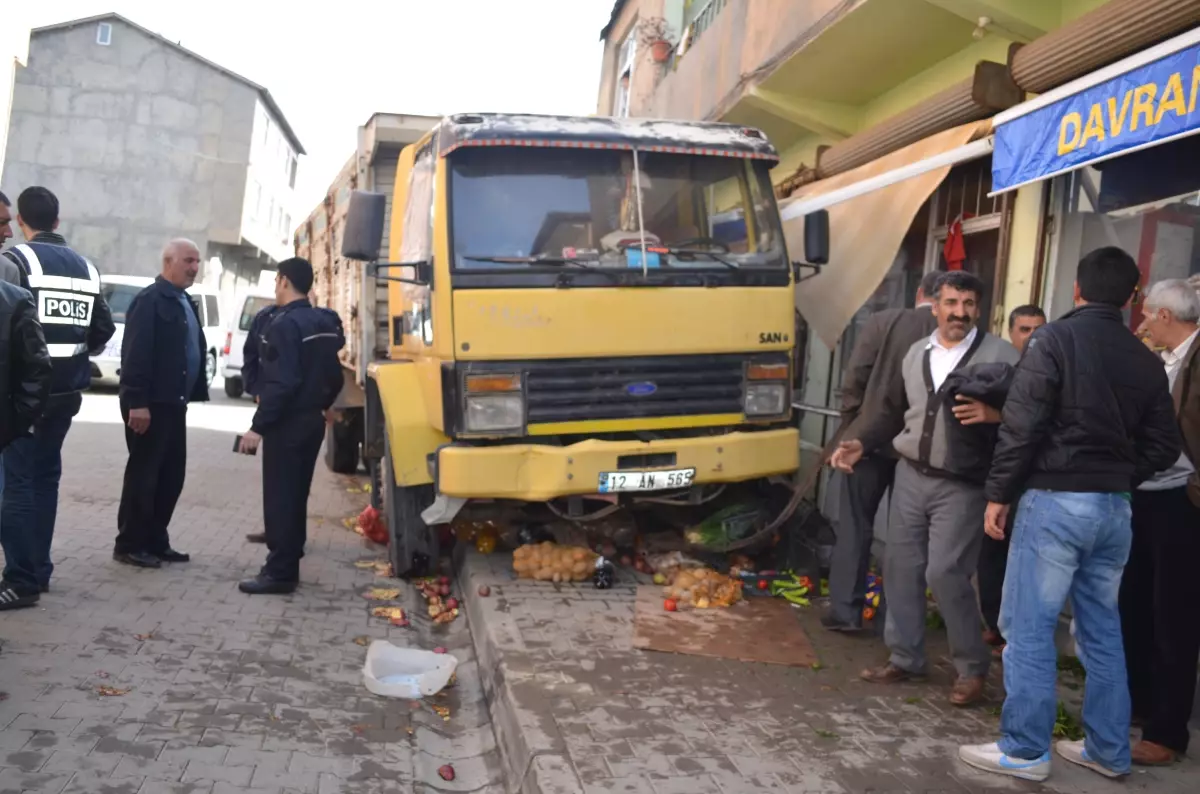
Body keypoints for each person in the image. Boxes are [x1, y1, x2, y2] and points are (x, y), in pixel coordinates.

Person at [958, 247, 1181, 783]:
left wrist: (998, 494)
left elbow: (1021, 424)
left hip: (1054, 501)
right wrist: (1120, 478)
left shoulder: (1052, 339)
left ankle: (1025, 750)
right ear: (1134, 298)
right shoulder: (1147, 359)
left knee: (1027, 626)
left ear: (1076, 291)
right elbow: (1165, 445)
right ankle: (1107, 750)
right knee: (1103, 630)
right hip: (1114, 509)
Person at [830, 271, 1019, 706]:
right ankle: (905, 656)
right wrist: (861, 441)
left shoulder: (1001, 355)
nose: (960, 312)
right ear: (934, 305)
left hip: (964, 484)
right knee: (900, 566)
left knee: (945, 573)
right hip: (912, 475)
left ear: (980, 308)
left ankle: (972, 668)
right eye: (951, 303)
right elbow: (895, 411)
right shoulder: (917, 353)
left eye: (969, 304)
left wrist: (996, 417)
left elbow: (1031, 417)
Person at [0, 187, 114, 604]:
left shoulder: (14, 261)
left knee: (16, 484)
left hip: (25, 397)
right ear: (57, 222)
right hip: (67, 394)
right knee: (45, 480)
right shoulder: (86, 268)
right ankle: (39, 569)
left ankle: (20, 578)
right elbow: (103, 330)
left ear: (22, 223)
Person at [823, 269, 940, 633]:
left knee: (856, 527)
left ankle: (846, 612)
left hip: (867, 446)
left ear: (919, 292)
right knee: (909, 539)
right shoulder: (953, 336)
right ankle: (898, 619)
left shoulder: (883, 322)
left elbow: (855, 377)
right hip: (918, 452)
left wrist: (848, 428)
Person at [1119, 279, 1200, 766]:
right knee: (1137, 604)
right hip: (1148, 496)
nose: (1144, 323)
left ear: (1166, 316)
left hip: (1185, 504)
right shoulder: (1161, 360)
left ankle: (1167, 731)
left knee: (1174, 616)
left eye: (1148, 316)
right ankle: (1140, 701)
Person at [237, 257, 344, 594]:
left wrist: (258, 427)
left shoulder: (284, 326)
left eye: (275, 281)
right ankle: (291, 554)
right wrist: (322, 406)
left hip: (288, 423)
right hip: (312, 421)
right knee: (295, 495)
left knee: (281, 497)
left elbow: (282, 384)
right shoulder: (324, 322)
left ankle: (280, 572)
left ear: (283, 280)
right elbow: (335, 376)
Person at [113, 239, 209, 568]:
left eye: (198, 261)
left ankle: (155, 540)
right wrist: (137, 402)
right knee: (144, 475)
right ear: (168, 261)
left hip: (174, 404)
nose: (195, 267)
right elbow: (136, 355)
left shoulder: (183, 300)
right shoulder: (150, 301)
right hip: (149, 405)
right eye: (188, 260)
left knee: (171, 476)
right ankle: (130, 544)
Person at [978, 304, 1046, 652]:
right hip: (997, 480)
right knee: (992, 554)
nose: (1032, 337)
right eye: (1025, 330)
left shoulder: (1052, 372)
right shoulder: (1002, 373)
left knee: (1023, 562)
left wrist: (996, 416)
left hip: (1034, 483)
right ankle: (994, 622)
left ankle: (1013, 636)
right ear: (1012, 333)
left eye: (1039, 329)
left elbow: (1040, 424)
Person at [241, 301, 279, 546]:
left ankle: (285, 534)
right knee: (275, 475)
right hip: (273, 405)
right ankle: (275, 529)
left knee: (290, 479)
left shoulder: (313, 319)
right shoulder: (266, 317)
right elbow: (250, 354)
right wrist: (256, 389)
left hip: (291, 410)